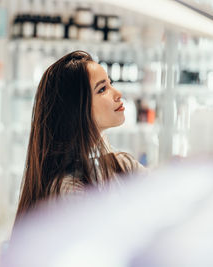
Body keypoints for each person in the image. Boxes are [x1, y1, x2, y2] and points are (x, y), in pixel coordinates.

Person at [14, 50, 145, 222]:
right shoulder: (68, 192)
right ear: (75, 109)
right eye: (102, 89)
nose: (118, 93)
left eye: (110, 83)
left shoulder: (123, 165)